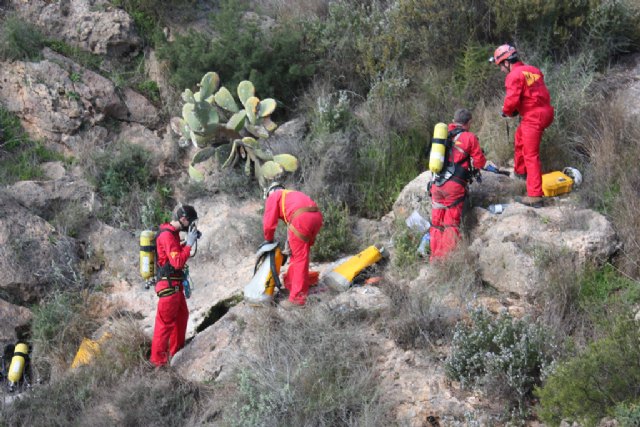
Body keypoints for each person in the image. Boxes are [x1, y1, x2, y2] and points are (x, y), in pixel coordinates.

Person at [490, 43, 555, 208]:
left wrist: (506, 111)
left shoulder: (513, 76)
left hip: (534, 117)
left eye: (500, 66)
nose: (501, 69)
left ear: (506, 62)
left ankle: (534, 196)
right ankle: (520, 173)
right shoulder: (533, 70)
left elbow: (511, 100)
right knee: (520, 138)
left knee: (531, 155)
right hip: (545, 112)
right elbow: (532, 94)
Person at [430, 108, 486, 261]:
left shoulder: (443, 134)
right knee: (451, 224)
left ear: (453, 121)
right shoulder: (469, 137)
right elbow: (480, 162)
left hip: (436, 185)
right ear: (469, 123)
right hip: (454, 186)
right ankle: (447, 261)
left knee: (436, 223)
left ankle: (434, 257)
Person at [150, 204, 200, 367]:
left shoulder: (172, 233)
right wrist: (189, 244)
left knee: (181, 317)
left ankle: (176, 352)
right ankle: (158, 363)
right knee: (164, 326)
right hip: (169, 287)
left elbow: (174, 253)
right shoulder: (167, 235)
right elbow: (177, 261)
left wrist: (187, 241)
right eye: (190, 222)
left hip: (175, 286)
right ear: (183, 219)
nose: (191, 225)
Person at [262, 183, 323, 309]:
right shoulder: (291, 194)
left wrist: (268, 241)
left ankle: (297, 299)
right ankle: (292, 285)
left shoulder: (274, 197)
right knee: (299, 255)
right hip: (316, 217)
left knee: (300, 258)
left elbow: (269, 224)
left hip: (302, 219)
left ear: (269, 193)